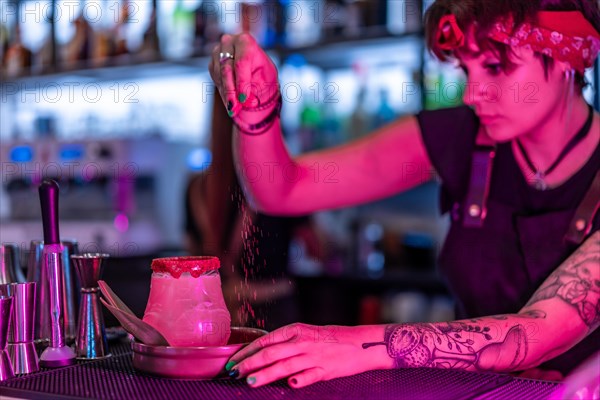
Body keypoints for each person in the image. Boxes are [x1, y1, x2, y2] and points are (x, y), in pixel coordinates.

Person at [208, 0, 600, 389]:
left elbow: (538, 332)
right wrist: (257, 109)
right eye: (467, 69)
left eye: (496, 67)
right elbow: (280, 191)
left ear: (566, 56)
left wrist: (355, 345)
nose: (472, 93)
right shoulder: (458, 136)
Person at [184, 93, 324, 330]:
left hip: (215, 316)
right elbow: (316, 250)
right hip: (273, 314)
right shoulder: (280, 181)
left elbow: (192, 256)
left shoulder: (196, 187)